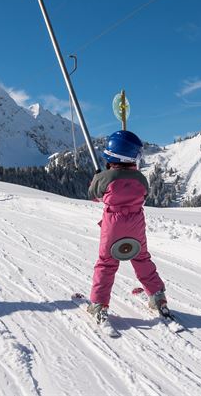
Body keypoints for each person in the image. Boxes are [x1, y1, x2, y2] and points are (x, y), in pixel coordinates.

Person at [86, 130, 168, 323]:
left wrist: (98, 179)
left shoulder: (104, 177)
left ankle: (98, 303)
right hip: (136, 224)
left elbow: (94, 195)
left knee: (106, 263)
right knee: (141, 259)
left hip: (113, 225)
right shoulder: (141, 178)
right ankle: (157, 296)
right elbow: (143, 195)